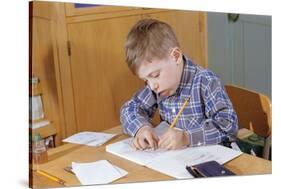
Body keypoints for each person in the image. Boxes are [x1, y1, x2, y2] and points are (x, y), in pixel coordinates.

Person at [120, 18, 238, 151]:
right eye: (146, 80)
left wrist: (187, 138)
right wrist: (141, 128)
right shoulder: (158, 87)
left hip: (214, 160)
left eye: (155, 75)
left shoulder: (206, 81)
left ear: (175, 56)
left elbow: (229, 125)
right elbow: (129, 109)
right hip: (176, 162)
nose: (152, 86)